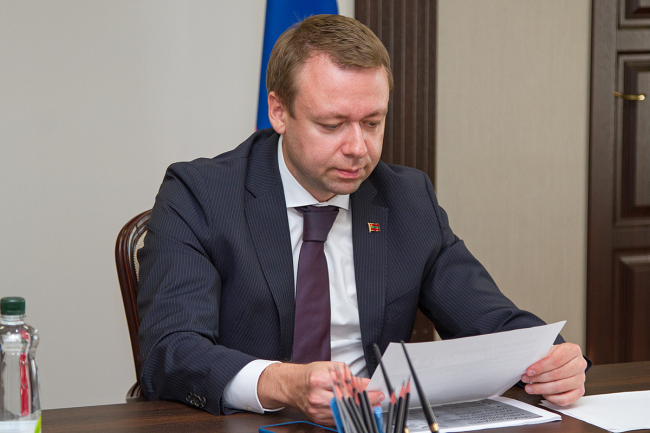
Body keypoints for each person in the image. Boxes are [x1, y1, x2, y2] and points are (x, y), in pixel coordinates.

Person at [137, 14, 587, 426]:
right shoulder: (199, 194)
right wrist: (284, 384)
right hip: (246, 422)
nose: (358, 148)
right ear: (279, 112)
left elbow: (489, 318)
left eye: (372, 123)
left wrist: (551, 359)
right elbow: (171, 349)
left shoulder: (407, 199)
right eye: (332, 124)